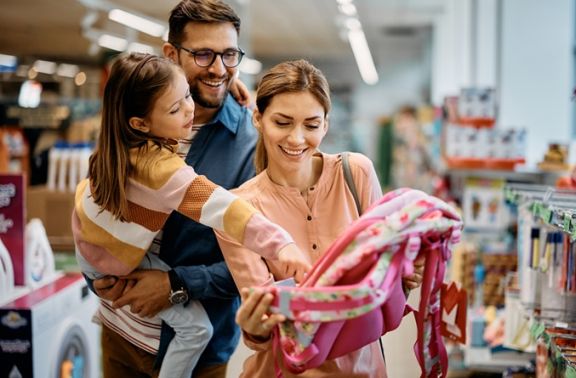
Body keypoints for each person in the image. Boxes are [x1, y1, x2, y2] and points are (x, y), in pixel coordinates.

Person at [73, 52, 311, 378]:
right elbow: (227, 210)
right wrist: (280, 244)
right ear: (140, 123)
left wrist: (233, 92)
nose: (190, 108)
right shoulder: (163, 170)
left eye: (187, 93)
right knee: (197, 330)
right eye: (176, 107)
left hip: (90, 246)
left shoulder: (114, 144)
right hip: (117, 278)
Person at [88, 1, 269, 377]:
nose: (219, 69)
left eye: (229, 54)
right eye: (203, 54)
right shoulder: (133, 118)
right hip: (120, 331)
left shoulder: (251, 145)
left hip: (195, 353)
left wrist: (176, 284)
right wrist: (96, 269)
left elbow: (261, 262)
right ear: (171, 53)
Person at [218, 59, 425, 377]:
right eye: (283, 122)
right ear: (258, 118)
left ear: (326, 125)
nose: (297, 139)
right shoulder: (239, 210)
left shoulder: (355, 174)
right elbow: (264, 333)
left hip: (364, 370)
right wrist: (257, 327)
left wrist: (402, 275)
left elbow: (383, 290)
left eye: (311, 125)